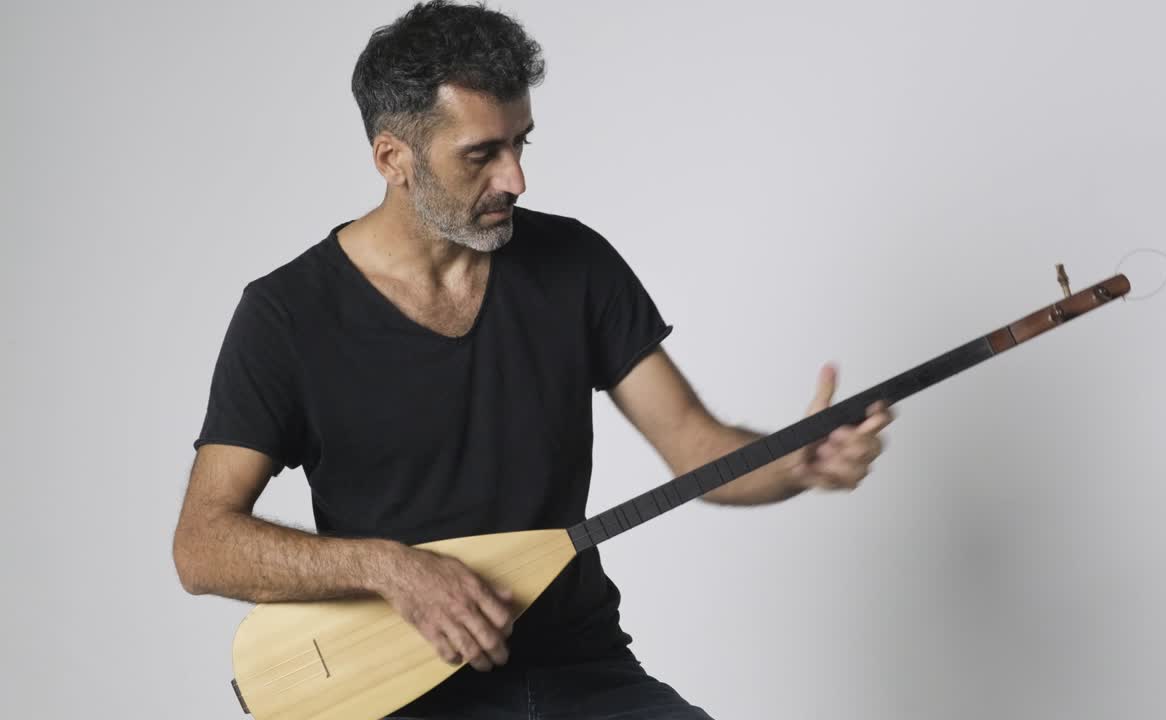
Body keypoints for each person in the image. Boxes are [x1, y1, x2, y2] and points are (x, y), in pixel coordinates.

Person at [172, 2, 894, 718]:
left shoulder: (573, 264)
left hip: (581, 670)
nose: (516, 178)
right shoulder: (287, 316)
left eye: (521, 143)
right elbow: (203, 547)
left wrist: (795, 462)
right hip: (397, 689)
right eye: (482, 153)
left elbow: (697, 450)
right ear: (395, 158)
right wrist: (391, 568)